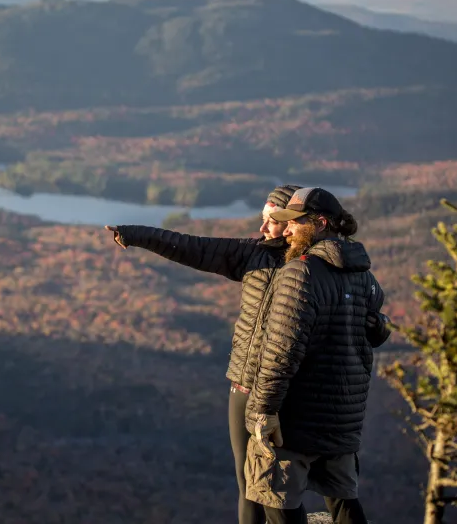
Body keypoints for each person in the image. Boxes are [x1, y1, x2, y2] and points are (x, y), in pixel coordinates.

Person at [104, 185, 390, 524]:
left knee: (276, 486)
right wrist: (134, 234)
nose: (267, 228)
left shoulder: (314, 269)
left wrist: (378, 326)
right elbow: (193, 248)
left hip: (285, 392)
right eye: (267, 220)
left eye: (275, 220)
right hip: (261, 387)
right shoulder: (258, 255)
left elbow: (358, 323)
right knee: (258, 485)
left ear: (304, 222)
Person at [244, 187, 385, 524]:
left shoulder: (300, 272)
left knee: (277, 501)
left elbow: (281, 351)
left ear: (320, 223)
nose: (287, 230)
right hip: (342, 419)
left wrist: (265, 411)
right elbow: (374, 331)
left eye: (295, 222)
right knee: (344, 503)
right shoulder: (364, 277)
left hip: (297, 418)